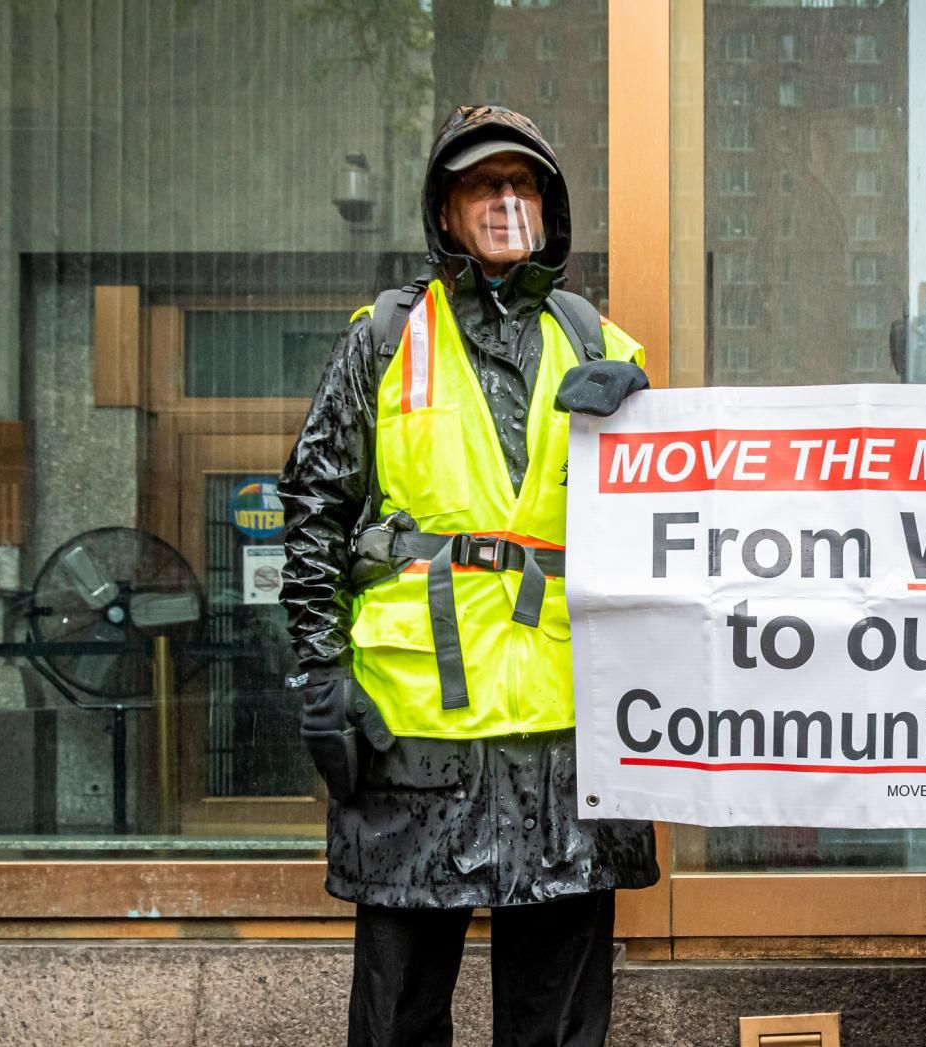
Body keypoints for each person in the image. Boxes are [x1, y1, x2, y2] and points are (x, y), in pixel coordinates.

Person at [280, 105, 657, 1047]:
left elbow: (666, 522)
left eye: (522, 184)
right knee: (399, 1017)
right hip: (415, 737)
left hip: (562, 734)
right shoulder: (383, 337)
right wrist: (321, 673)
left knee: (557, 1024)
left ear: (549, 207)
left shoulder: (605, 345)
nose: (504, 201)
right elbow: (314, 506)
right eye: (483, 186)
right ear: (445, 212)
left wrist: (646, 413)